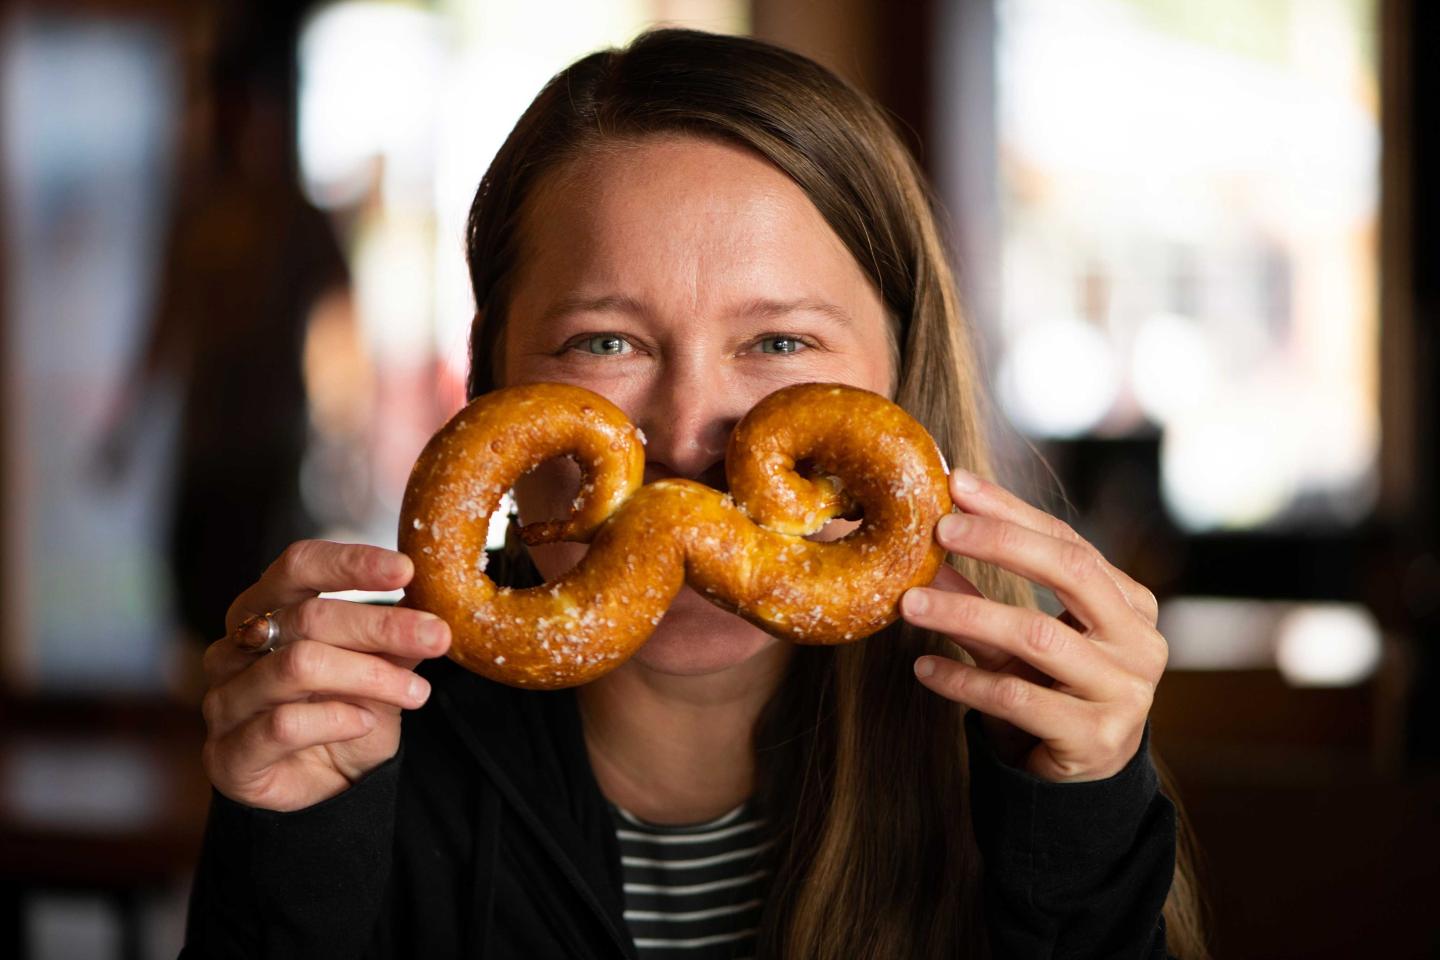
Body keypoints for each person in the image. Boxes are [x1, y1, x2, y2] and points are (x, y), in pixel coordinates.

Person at [182, 28, 1207, 960]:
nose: (685, 438)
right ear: (493, 382)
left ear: (901, 376)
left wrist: (1078, 840)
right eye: (606, 341)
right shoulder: (367, 765)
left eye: (779, 342)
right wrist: (294, 863)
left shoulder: (1017, 764)